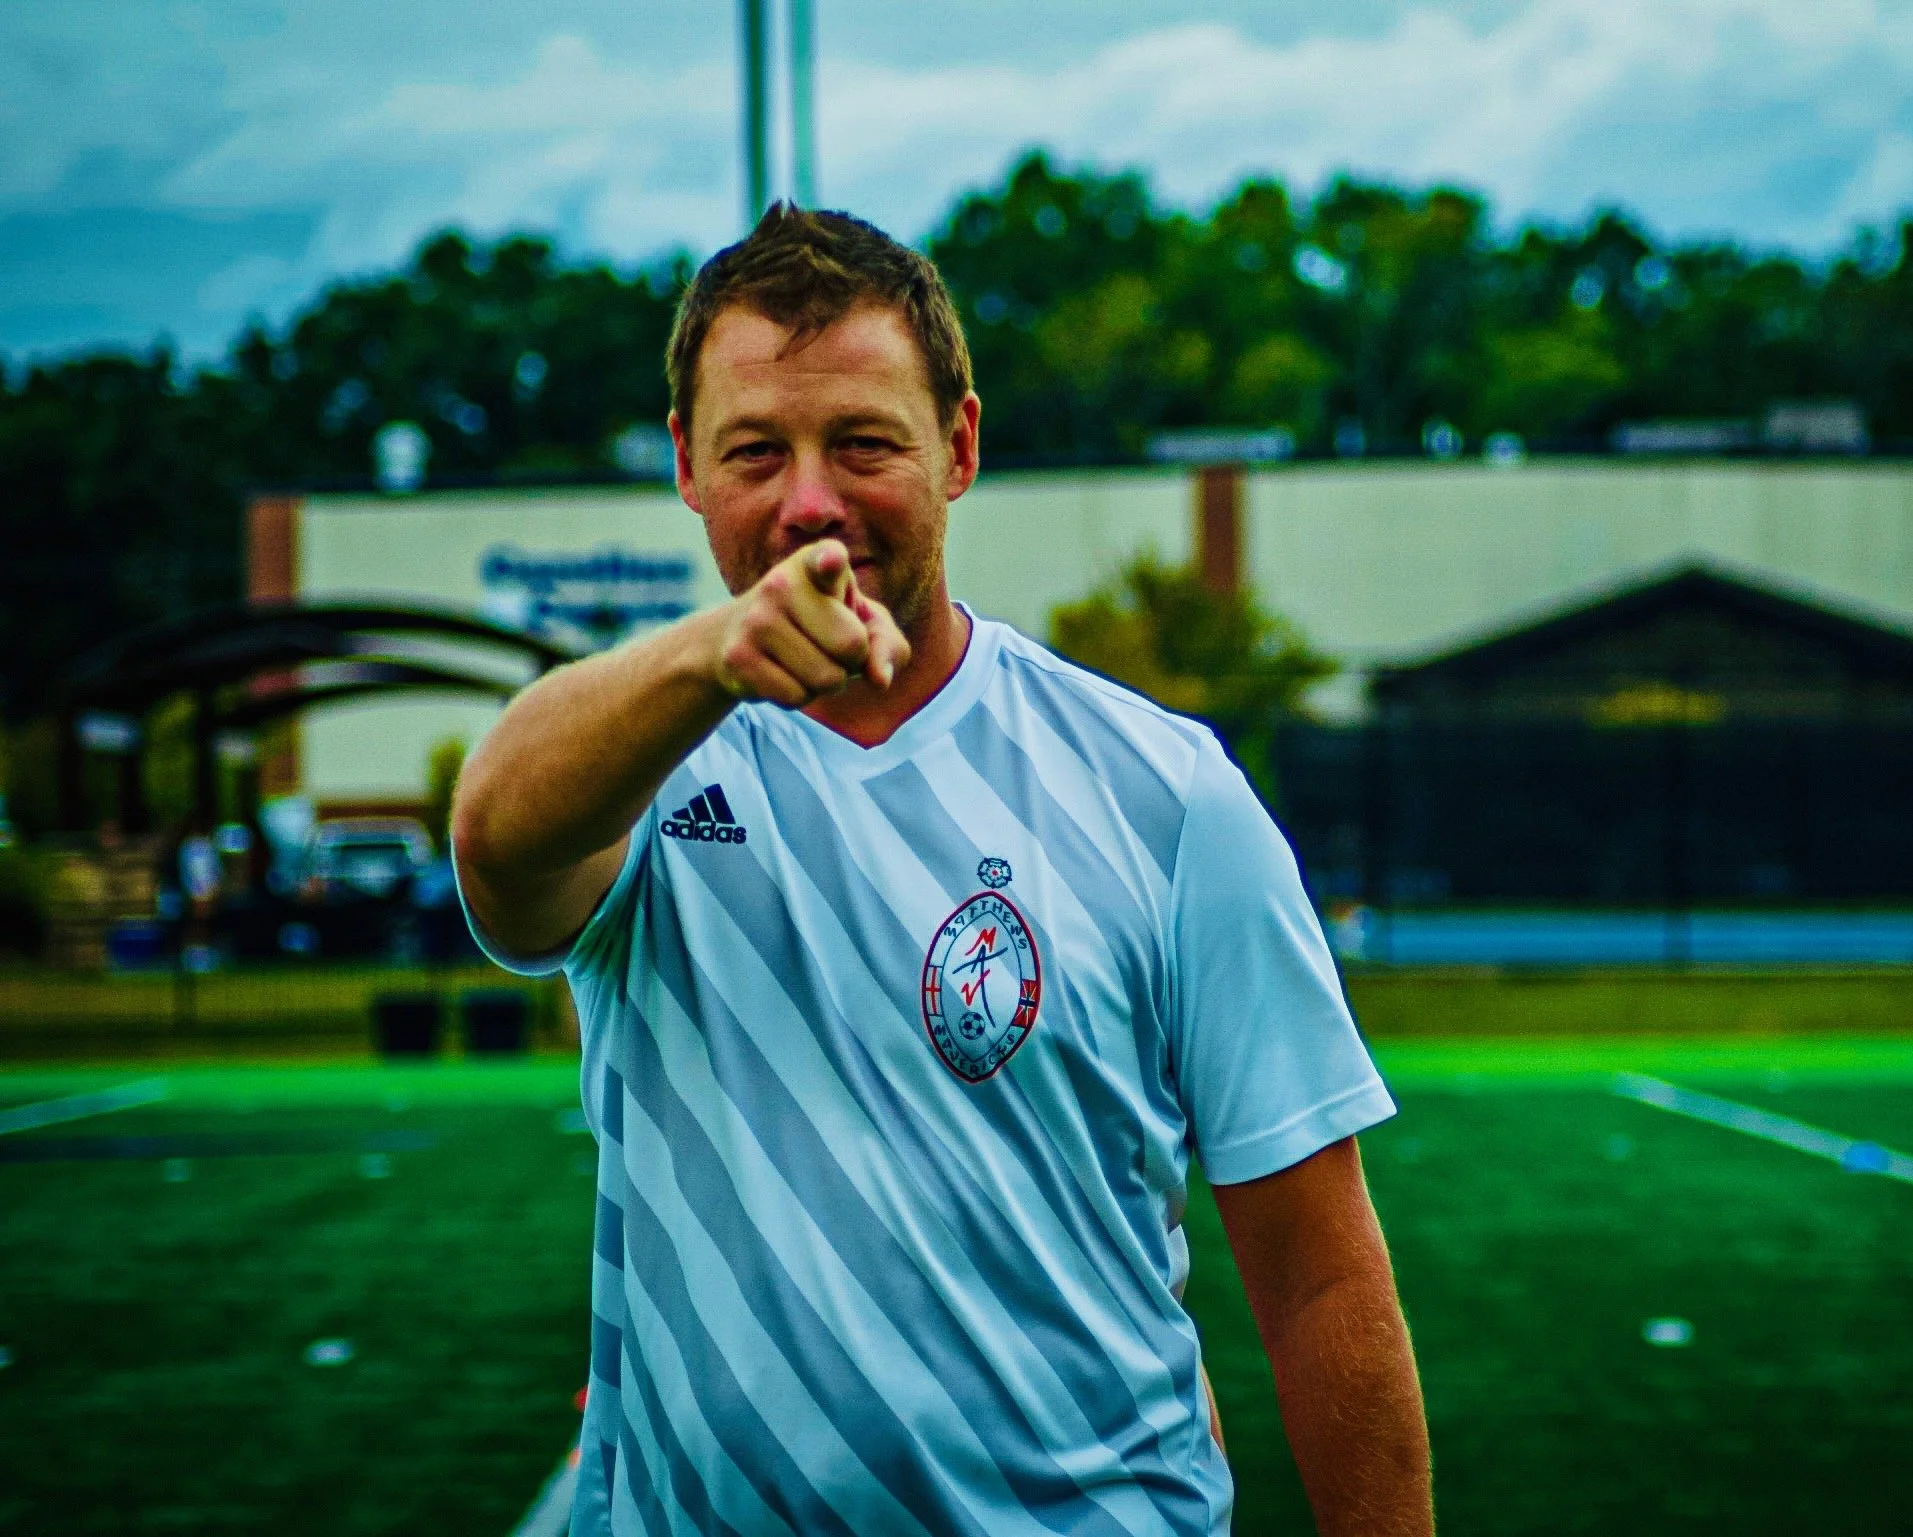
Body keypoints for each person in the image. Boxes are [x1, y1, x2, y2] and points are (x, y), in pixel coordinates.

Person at [453, 204, 1432, 1537]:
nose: (810, 502)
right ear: (685, 464)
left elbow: (1320, 1273)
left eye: (862, 443)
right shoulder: (638, 768)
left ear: (959, 445)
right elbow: (497, 842)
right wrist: (711, 659)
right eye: (757, 452)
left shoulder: (1165, 791)